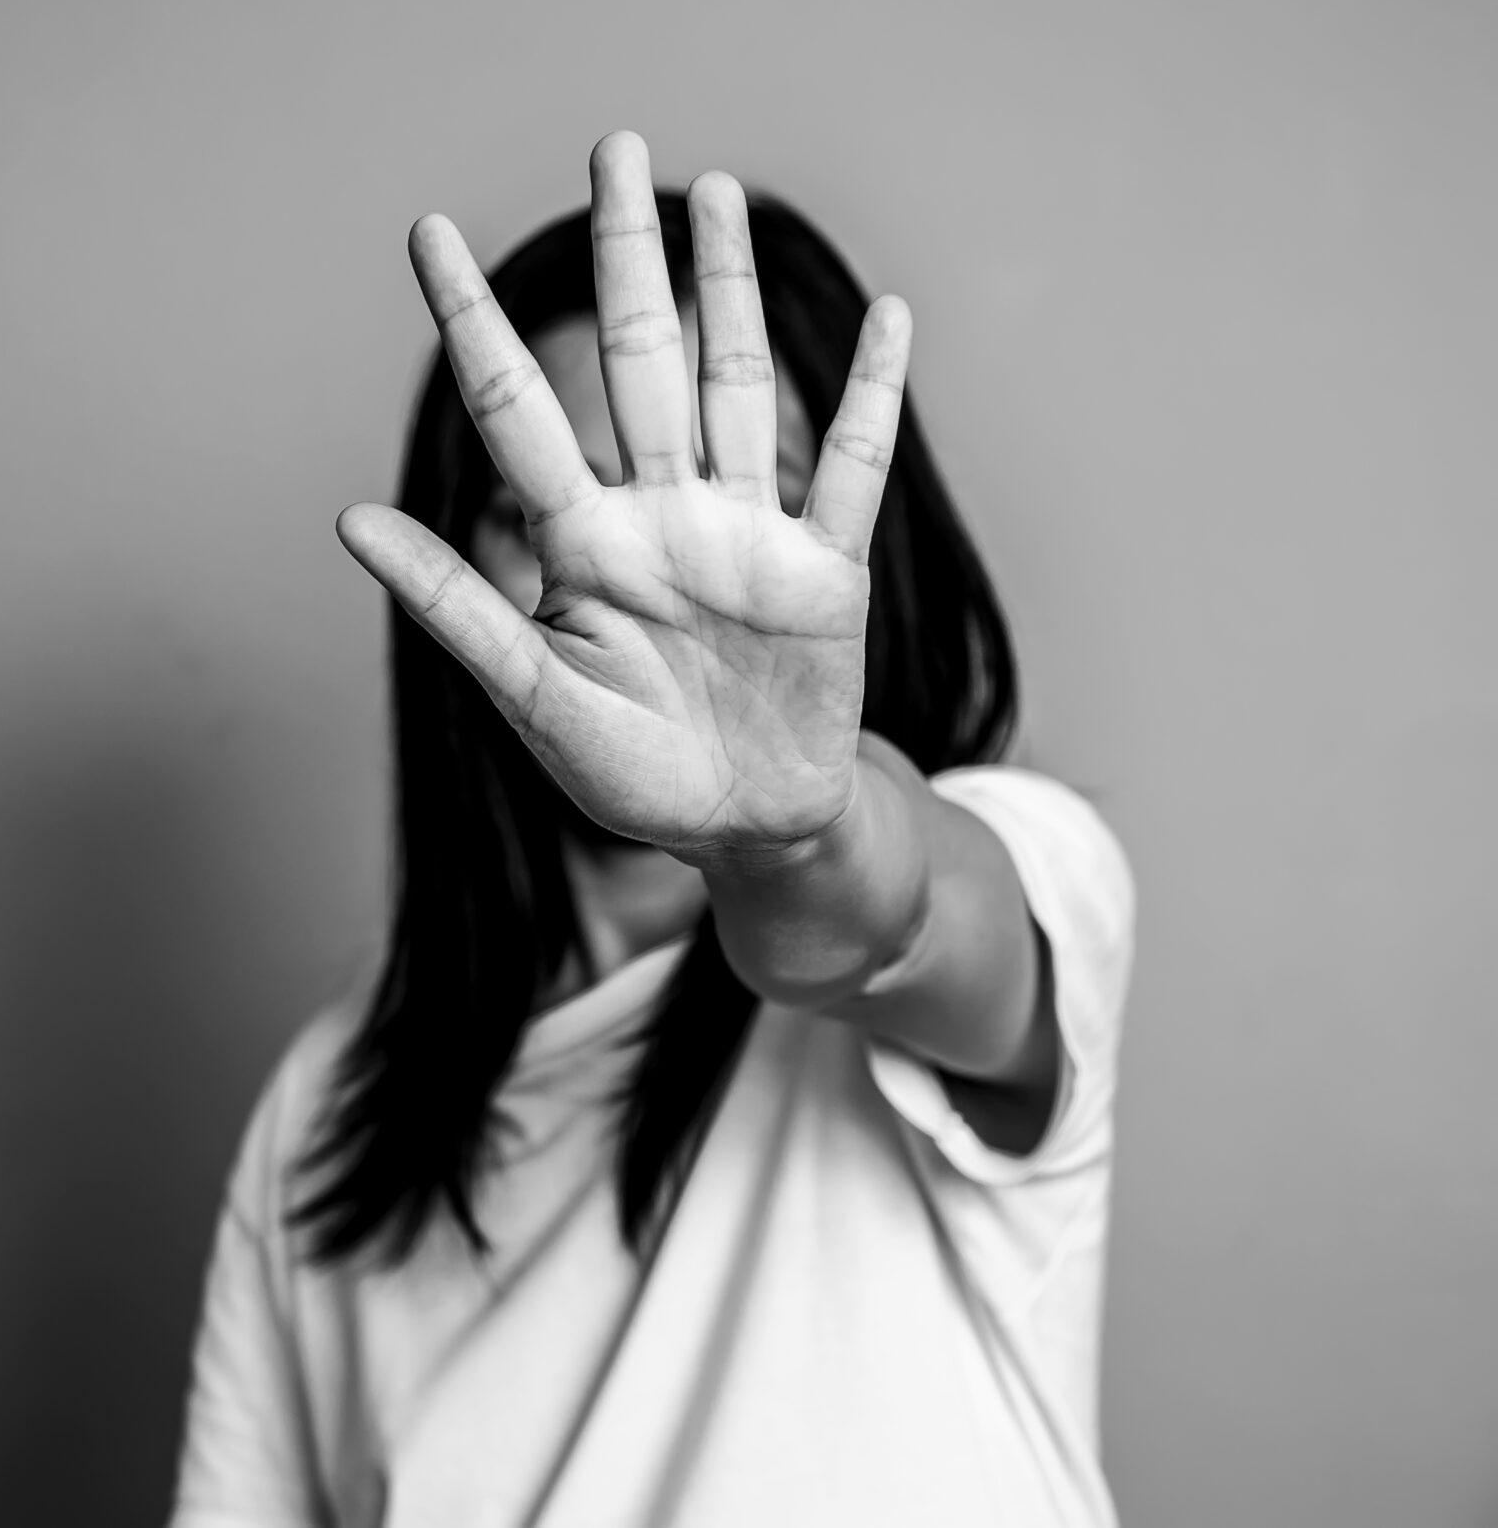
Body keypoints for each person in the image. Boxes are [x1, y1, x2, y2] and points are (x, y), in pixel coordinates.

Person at [168, 133, 1136, 1527]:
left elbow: (897, 924)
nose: (650, 587)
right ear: (462, 563)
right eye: (554, 510)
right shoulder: (328, 1106)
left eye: (752, 498)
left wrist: (780, 836)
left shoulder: (1026, 860)